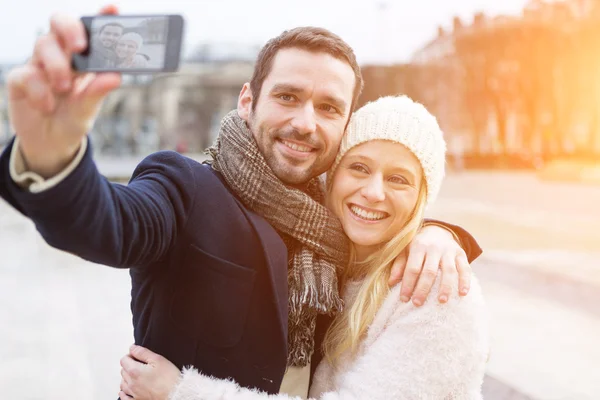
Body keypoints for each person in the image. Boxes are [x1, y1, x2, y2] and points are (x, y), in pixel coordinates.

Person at [0, 5, 481, 397]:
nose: (306, 123)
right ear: (248, 101)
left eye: (329, 108)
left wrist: (435, 233)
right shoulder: (184, 186)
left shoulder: (338, 223)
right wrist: (53, 156)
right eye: (288, 97)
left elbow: (384, 206)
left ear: (345, 125)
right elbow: (111, 224)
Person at [117, 95, 490, 400]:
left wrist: (182, 392)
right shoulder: (334, 264)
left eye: (398, 179)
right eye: (359, 168)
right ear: (333, 176)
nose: (374, 192)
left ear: (422, 198)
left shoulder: (436, 289)